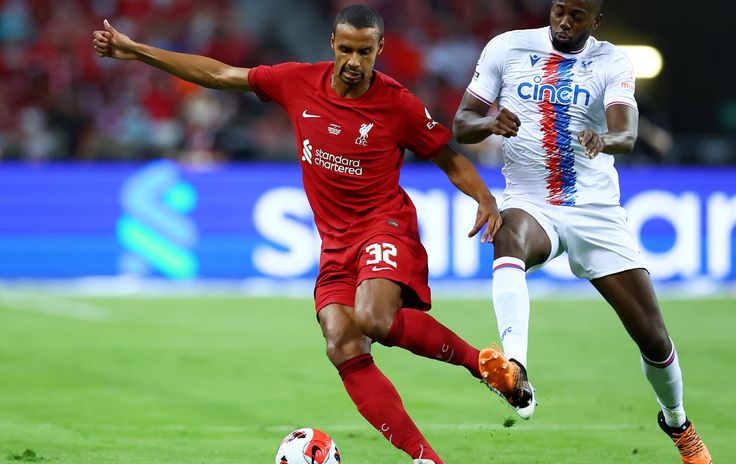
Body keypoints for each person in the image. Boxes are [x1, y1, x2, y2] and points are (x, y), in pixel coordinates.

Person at [94, 5, 522, 464]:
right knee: (340, 340)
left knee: (374, 318)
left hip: (385, 224)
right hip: (335, 242)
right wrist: (139, 52)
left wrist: (486, 198)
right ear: (332, 45)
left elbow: (449, 157)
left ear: (380, 49)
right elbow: (219, 73)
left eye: (364, 51)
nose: (354, 61)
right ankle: (425, 459)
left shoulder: (397, 103)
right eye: (346, 49)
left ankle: (481, 363)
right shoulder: (295, 80)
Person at [452, 1, 713, 463]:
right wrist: (490, 122)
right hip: (531, 203)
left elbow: (626, 131)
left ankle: (677, 422)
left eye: (576, 15)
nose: (564, 21)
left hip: (595, 212)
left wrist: (605, 139)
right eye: (558, 10)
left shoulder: (611, 60)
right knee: (507, 235)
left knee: (653, 338)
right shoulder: (507, 47)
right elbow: (461, 124)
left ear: (597, 20)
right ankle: (516, 369)